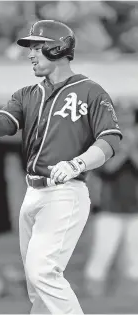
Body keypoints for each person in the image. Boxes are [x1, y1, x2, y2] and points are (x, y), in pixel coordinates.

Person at [0, 20, 122, 314]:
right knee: (35, 285)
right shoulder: (27, 94)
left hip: (66, 191)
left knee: (42, 271)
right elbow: (0, 125)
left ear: (58, 48)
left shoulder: (91, 91)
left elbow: (110, 139)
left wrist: (79, 162)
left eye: (37, 47)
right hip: (33, 193)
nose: (31, 54)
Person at [84, 105, 138, 297]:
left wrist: (132, 148)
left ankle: (128, 302)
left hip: (135, 211)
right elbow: (108, 168)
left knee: (134, 261)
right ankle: (93, 301)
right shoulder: (104, 141)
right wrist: (123, 149)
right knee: (102, 256)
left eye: (128, 117)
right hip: (109, 210)